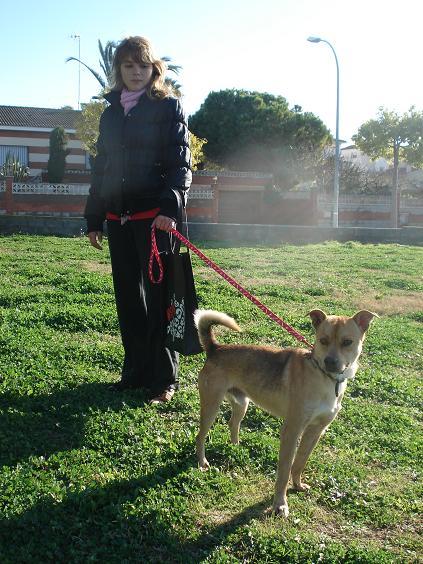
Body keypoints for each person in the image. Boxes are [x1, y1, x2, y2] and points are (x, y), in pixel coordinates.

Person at [85, 36, 192, 403]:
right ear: (119, 70)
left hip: (154, 219)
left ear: (154, 70)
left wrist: (170, 208)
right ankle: (135, 372)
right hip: (118, 218)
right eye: (128, 66)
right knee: (129, 299)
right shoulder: (110, 112)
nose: (135, 72)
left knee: (161, 298)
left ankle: (164, 379)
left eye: (142, 66)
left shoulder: (168, 108)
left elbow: (181, 164)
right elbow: (102, 167)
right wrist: (94, 217)